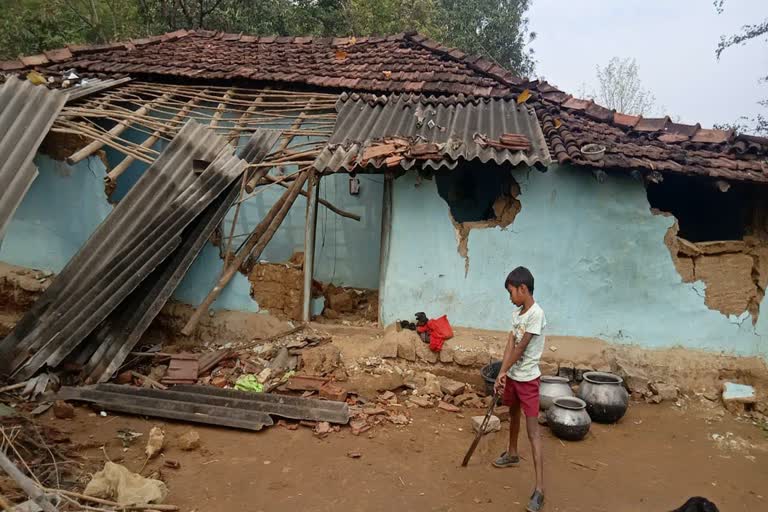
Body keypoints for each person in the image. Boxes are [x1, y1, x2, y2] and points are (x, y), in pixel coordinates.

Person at [493, 266, 546, 512]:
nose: (510, 297)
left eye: (511, 292)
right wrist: (501, 373)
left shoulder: (536, 314)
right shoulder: (517, 313)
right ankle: (512, 453)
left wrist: (506, 371)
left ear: (523, 289)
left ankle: (539, 489)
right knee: (513, 413)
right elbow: (510, 343)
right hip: (513, 377)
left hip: (528, 380)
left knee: (533, 430)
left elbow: (522, 347)